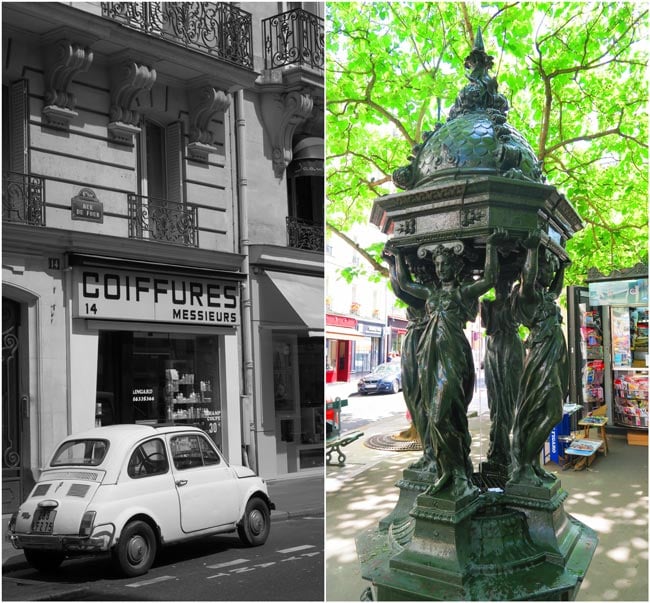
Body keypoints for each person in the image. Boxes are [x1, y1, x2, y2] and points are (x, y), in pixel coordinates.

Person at [387, 230, 505, 498]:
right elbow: (404, 284)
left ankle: (457, 473)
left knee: (442, 415)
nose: (440, 268)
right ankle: (451, 472)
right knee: (433, 414)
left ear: (456, 265)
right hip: (429, 358)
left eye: (445, 264)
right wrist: (395, 258)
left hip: (453, 357)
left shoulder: (463, 293)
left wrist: (491, 246)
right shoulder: (430, 293)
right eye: (437, 264)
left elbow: (489, 278)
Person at [508, 229, 569, 487]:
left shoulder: (546, 297)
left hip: (553, 356)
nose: (548, 272)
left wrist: (562, 265)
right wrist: (533, 250)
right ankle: (523, 463)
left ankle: (531, 463)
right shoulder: (528, 295)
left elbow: (556, 287)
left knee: (548, 411)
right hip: (541, 359)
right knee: (553, 411)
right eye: (545, 268)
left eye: (550, 269)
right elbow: (531, 277)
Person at [384, 253, 436, 473]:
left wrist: (395, 262)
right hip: (414, 339)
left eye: (421, 270)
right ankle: (429, 451)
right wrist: (393, 263)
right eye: (417, 270)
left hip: (424, 340)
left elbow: (401, 287)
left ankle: (432, 453)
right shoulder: (423, 290)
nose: (418, 273)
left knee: (423, 399)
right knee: (415, 398)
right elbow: (401, 286)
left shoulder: (430, 292)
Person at [481, 268, 524, 473]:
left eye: (506, 284)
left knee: (509, 396)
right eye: (499, 283)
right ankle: (498, 446)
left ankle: (504, 444)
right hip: (493, 348)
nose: (502, 287)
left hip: (511, 348)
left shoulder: (516, 301)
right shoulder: (487, 304)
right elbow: (486, 326)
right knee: (495, 398)